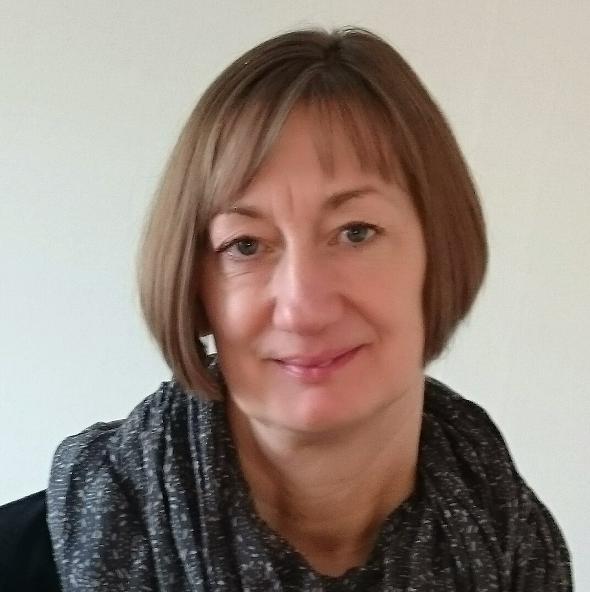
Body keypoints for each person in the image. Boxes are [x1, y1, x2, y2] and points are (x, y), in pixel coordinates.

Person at [0, 27, 572, 591]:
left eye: (355, 231)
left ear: (440, 253)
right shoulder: (23, 563)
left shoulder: (523, 554)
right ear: (194, 288)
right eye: (246, 245)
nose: (303, 308)